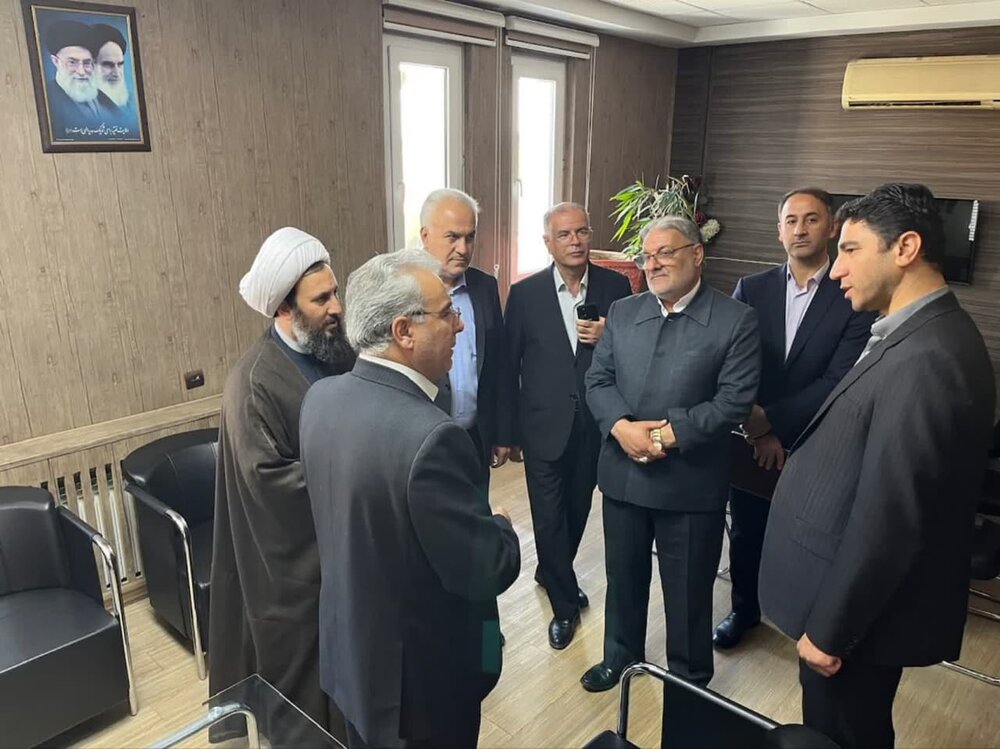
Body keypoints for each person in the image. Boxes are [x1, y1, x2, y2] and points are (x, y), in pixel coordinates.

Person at [759, 183, 996, 749]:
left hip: (856, 623)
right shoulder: (909, 331)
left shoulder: (931, 357)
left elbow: (892, 518)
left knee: (845, 733)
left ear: (905, 248)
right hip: (848, 604)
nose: (837, 268)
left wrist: (830, 630)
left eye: (850, 249)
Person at [302, 249, 520, 749]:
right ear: (404, 331)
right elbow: (485, 569)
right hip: (420, 690)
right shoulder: (433, 437)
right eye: (447, 313)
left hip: (351, 659)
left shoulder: (321, 399)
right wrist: (501, 526)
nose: (460, 326)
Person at [581, 216, 760, 692]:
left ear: (697, 254)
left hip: (690, 484)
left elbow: (734, 401)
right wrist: (621, 427)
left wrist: (664, 437)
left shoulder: (735, 319)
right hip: (623, 474)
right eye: (647, 255)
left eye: (666, 252)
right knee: (623, 578)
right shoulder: (623, 311)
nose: (653, 263)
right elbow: (598, 380)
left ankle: (689, 680)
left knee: (687, 592)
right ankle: (620, 658)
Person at [713, 188, 875, 650]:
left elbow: (838, 379)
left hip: (815, 438)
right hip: (750, 437)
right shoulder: (753, 288)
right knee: (747, 530)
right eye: (790, 221)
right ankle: (744, 609)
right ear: (779, 230)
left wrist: (771, 425)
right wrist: (754, 426)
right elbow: (732, 361)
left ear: (832, 227)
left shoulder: (853, 292)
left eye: (811, 219)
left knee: (809, 535)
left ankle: (806, 619)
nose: (800, 229)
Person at [209, 227, 354, 739]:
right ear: (285, 309)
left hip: (343, 553)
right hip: (290, 568)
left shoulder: (335, 353)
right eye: (322, 299)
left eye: (335, 292)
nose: (337, 307)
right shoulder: (253, 383)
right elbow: (269, 484)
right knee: (303, 695)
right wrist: (355, 476)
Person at [505, 202, 631, 650]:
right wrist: (508, 432)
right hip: (542, 423)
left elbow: (637, 353)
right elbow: (508, 364)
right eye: (564, 234)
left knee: (577, 509)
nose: (575, 241)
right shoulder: (525, 294)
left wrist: (610, 337)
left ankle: (551, 571)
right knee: (547, 516)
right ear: (548, 243)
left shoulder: (617, 288)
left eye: (582, 231)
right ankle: (563, 604)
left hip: (596, 424)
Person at [419, 188, 511, 490]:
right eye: (453, 237)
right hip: (423, 442)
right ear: (425, 236)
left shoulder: (485, 287)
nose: (463, 248)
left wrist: (502, 432)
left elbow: (498, 365)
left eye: (470, 237)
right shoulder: (403, 290)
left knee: (476, 513)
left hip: (476, 438)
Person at [43, 20, 119, 137]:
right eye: (72, 62)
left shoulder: (105, 101)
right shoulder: (47, 100)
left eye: (87, 63)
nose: (81, 71)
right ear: (55, 61)